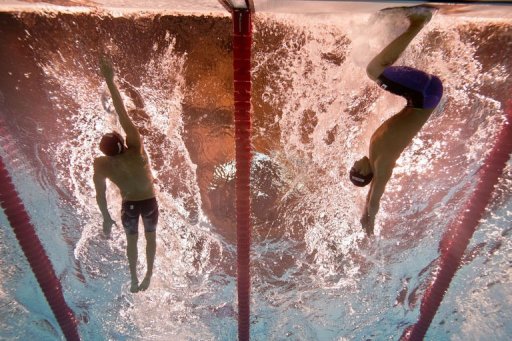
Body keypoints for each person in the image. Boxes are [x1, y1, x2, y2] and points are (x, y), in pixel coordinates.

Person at [349, 6, 443, 236]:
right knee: (374, 70)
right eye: (355, 168)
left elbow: (370, 194)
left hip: (417, 97)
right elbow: (376, 197)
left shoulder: (375, 156)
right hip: (425, 94)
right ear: (365, 171)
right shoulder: (382, 165)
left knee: (370, 66)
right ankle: (418, 22)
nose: (353, 163)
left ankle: (399, 28)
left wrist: (363, 213)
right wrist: (370, 223)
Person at [93, 57, 158, 293]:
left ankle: (133, 278)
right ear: (121, 141)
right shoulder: (135, 148)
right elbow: (121, 112)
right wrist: (110, 80)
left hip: (129, 206)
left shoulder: (102, 165)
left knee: (132, 242)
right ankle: (148, 275)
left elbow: (100, 195)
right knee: (150, 238)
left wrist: (105, 217)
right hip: (149, 202)